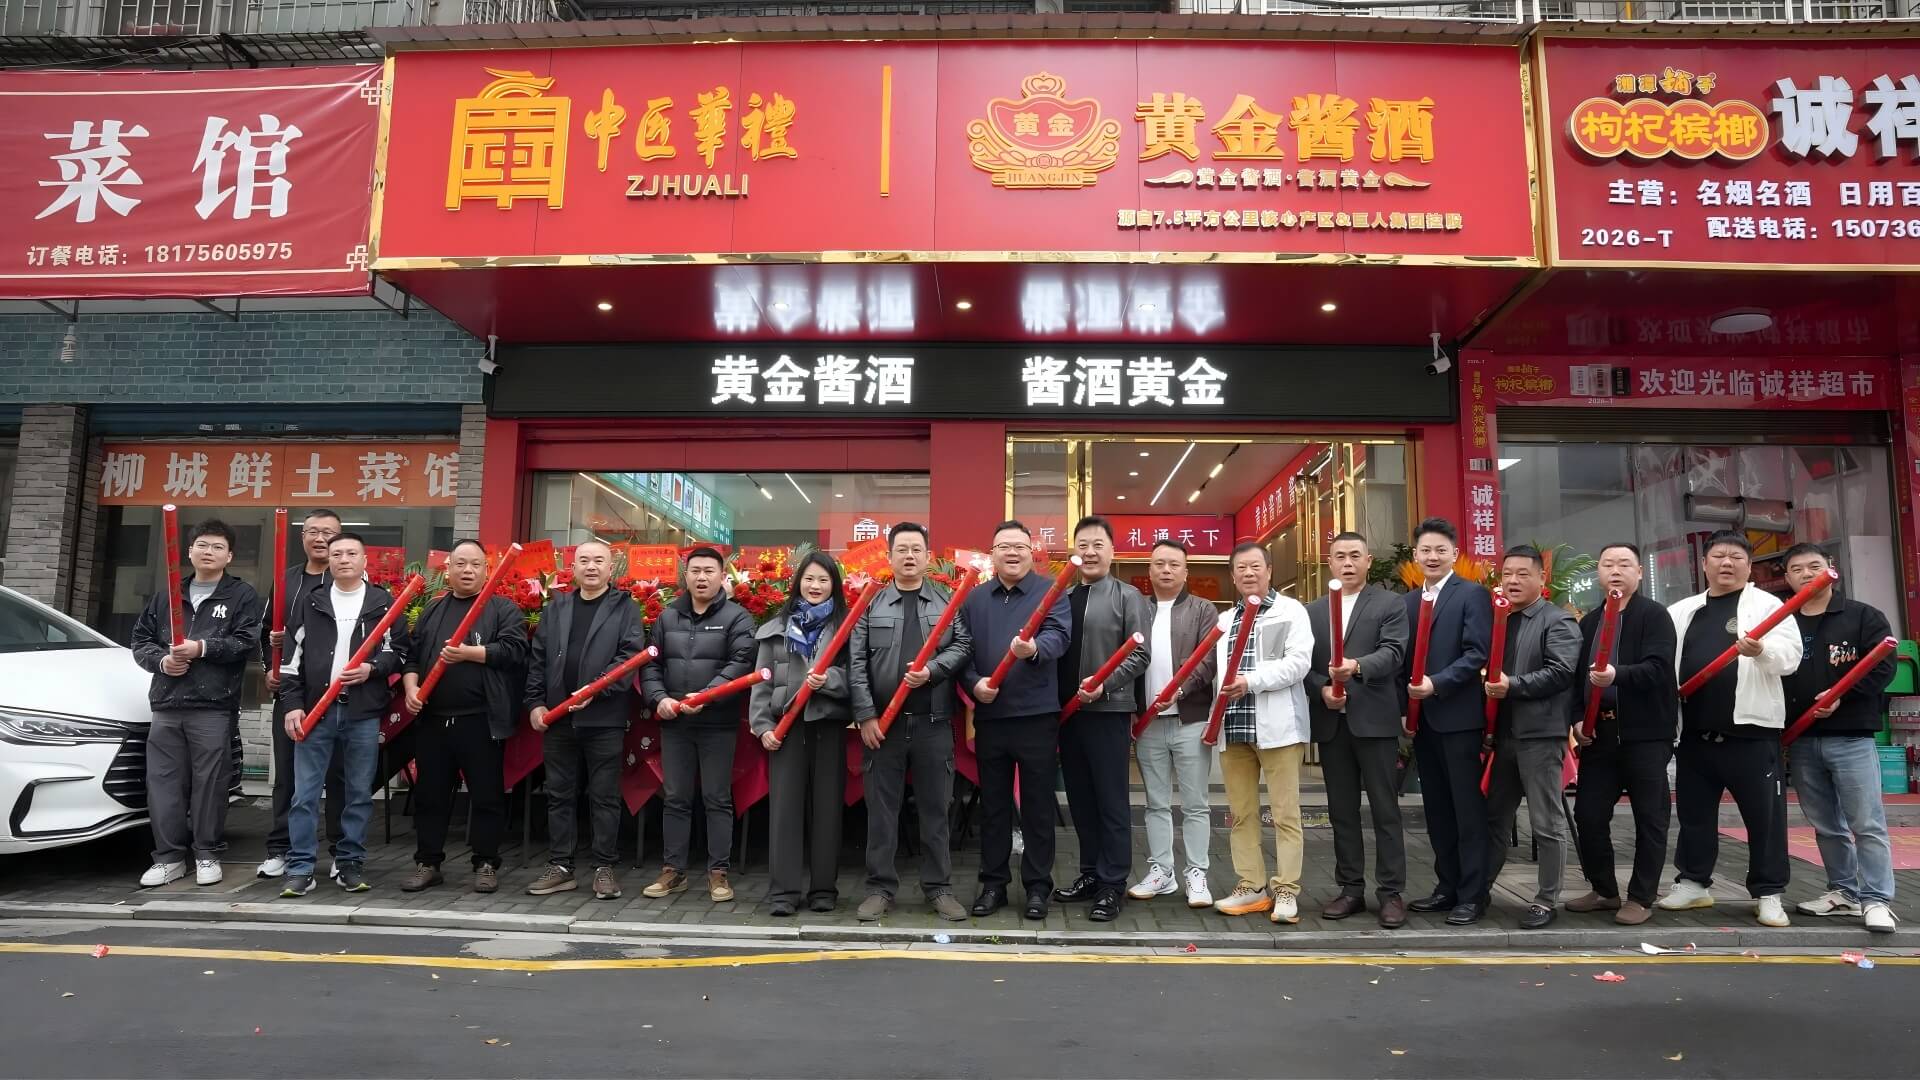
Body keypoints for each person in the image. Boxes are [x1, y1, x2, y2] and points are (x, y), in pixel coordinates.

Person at [1658, 530, 1803, 927]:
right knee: (1694, 815)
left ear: (1749, 566)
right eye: (1719, 556)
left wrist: (1763, 651)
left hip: (1751, 735)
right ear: (1704, 564)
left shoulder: (1768, 606)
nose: (1727, 563)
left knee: (1765, 819)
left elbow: (1791, 657)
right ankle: (1693, 882)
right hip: (1695, 734)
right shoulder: (1682, 610)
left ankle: (1769, 892)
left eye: (1736, 557)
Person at [849, 523, 972, 923]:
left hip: (933, 723)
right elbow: (855, 663)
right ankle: (879, 888)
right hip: (883, 727)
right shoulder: (871, 604)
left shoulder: (946, 600)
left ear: (927, 556)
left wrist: (933, 670)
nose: (909, 556)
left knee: (936, 810)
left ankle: (939, 888)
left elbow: (964, 645)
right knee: (882, 812)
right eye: (901, 549)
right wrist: (866, 715)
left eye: (916, 549)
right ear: (889, 557)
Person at [132, 520, 263, 888]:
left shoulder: (241, 596)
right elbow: (140, 641)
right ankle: (169, 858)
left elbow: (246, 642)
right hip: (167, 704)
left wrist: (201, 648)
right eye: (202, 545)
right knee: (163, 784)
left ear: (229, 556)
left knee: (210, 784)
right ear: (189, 551)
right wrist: (162, 662)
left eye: (218, 547)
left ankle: (206, 854)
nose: (209, 552)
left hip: (213, 706)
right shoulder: (167, 595)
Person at [276, 533, 406, 896]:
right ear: (329, 561)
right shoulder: (312, 602)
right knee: (304, 794)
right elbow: (290, 662)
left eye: (351, 553)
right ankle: (300, 868)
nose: (343, 559)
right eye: (336, 554)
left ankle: (349, 863)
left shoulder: (383, 602)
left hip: (362, 712)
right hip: (315, 711)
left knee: (358, 793)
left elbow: (399, 651)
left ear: (365, 560)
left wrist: (373, 669)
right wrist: (292, 705)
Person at [1779, 543, 1899, 933]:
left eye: (1814, 566)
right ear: (1787, 578)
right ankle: (1843, 892)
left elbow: (1883, 668)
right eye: (1797, 569)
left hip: (1851, 737)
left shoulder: (1862, 616)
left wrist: (1842, 697)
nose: (1806, 574)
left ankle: (1877, 898)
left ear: (1832, 570)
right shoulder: (1783, 621)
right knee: (1825, 824)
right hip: (1801, 739)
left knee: (1866, 822)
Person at [398, 540, 528, 895]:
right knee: (430, 795)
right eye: (460, 564)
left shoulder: (502, 609)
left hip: (481, 719)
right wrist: (411, 689)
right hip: (434, 720)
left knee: (486, 795)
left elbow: (516, 651)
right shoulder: (433, 610)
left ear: (487, 570)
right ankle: (428, 863)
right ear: (448, 569)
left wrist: (469, 653)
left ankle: (486, 863)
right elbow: (412, 657)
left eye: (475, 564)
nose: (467, 570)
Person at [962, 520, 1071, 921]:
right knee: (993, 806)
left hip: (1036, 715)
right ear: (992, 554)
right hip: (991, 716)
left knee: (1038, 806)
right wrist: (973, 683)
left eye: (1019, 546)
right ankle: (993, 885)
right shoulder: (975, 599)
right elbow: (962, 650)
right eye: (1004, 546)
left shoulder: (1051, 591)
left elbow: (1060, 635)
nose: (1012, 552)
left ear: (1031, 552)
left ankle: (1038, 887)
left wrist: (1035, 648)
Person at [526, 540, 647, 899]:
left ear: (611, 568)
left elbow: (630, 657)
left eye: (598, 561)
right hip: (558, 717)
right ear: (573, 568)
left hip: (603, 719)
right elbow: (538, 658)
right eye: (584, 560)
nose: (591, 567)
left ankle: (604, 867)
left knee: (605, 796)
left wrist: (597, 689)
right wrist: (535, 703)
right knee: (559, 794)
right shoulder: (557, 607)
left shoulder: (625, 608)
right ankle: (561, 866)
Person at [1303, 531, 1409, 928]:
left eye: (1354, 556)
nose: (1347, 563)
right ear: (1329, 562)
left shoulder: (1389, 603)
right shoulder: (1311, 611)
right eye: (1340, 556)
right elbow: (1302, 664)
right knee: (1341, 810)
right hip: (1333, 723)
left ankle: (1391, 892)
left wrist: (1357, 666)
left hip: (1374, 721)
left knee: (1385, 809)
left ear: (1367, 561)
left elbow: (1394, 652)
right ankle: (1350, 889)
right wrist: (1322, 688)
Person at [1567, 542, 1677, 927]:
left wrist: (1618, 675)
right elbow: (1576, 680)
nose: (1616, 571)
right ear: (1598, 572)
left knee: (1650, 817)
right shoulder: (1588, 622)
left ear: (1640, 572)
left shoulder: (1654, 616)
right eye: (1608, 564)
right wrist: (1577, 719)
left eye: (1625, 564)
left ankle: (1641, 897)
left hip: (1645, 734)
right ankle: (1604, 890)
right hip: (1598, 735)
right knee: (1588, 814)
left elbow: (1659, 668)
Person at [642, 546, 756, 903]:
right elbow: (650, 664)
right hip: (675, 721)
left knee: (716, 798)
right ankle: (673, 870)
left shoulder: (738, 618)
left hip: (717, 723)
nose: (702, 577)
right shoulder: (667, 617)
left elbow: (742, 662)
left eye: (709, 571)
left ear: (722, 576)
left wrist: (705, 696)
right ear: (686, 576)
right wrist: (659, 698)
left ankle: (718, 872)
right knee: (675, 797)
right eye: (695, 571)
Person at [1053, 516, 1152, 922]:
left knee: (1111, 801)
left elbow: (1140, 654)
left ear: (1113, 551)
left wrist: (1104, 685)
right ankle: (1091, 873)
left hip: (1108, 712)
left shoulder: (1128, 597)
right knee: (1080, 800)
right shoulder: (1063, 597)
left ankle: (1113, 884)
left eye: (1098, 544)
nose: (1090, 552)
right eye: (1083, 545)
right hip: (1068, 715)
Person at [1212, 542, 1314, 924]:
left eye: (1255, 566)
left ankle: (1286, 890)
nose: (1248, 573)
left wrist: (1250, 682)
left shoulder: (1291, 611)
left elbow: (1298, 663)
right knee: (1242, 814)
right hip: (1234, 727)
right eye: (1240, 568)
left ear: (1269, 570)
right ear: (1233, 575)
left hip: (1278, 730)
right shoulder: (1225, 620)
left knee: (1285, 814)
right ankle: (1252, 886)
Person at [1401, 518, 1495, 926]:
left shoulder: (1472, 595)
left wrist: (1436, 683)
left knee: (1467, 811)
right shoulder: (1407, 602)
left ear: (1454, 554)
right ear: (1416, 555)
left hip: (1459, 719)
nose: (1433, 557)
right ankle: (1447, 887)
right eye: (1426, 550)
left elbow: (1477, 653)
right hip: (1423, 722)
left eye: (1441, 550)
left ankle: (1473, 895)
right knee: (1437, 809)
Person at [1481, 545, 1580, 929]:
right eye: (1507, 573)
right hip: (1502, 737)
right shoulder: (1500, 619)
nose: (1513, 580)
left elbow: (1562, 671)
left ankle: (1546, 900)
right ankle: (1479, 891)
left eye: (1523, 574)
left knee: (1546, 822)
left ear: (1542, 578)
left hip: (1540, 735)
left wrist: (1513, 685)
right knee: (1494, 819)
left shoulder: (1557, 621)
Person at [749, 552, 853, 917]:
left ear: (833, 586)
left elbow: (858, 678)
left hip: (828, 726)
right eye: (809, 579)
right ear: (798, 583)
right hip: (785, 730)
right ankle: (783, 893)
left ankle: (823, 889)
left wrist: (831, 680)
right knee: (784, 812)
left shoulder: (847, 628)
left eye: (824, 580)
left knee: (827, 811)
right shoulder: (775, 629)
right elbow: (761, 682)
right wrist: (763, 727)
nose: (815, 586)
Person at [1128, 539, 1219, 911]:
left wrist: (1180, 691)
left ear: (1186, 571)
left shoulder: (1203, 609)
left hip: (1189, 719)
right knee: (1155, 802)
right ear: (1149, 570)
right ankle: (1161, 871)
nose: (1166, 570)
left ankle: (1197, 873)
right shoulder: (1137, 609)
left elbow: (1209, 659)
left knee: (1196, 803)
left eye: (1173, 564)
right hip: (1147, 723)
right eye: (1159, 564)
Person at [257, 508, 346, 881]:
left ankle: (341, 851)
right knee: (288, 777)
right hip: (292, 695)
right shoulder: (286, 579)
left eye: (328, 532)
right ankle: (281, 848)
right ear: (302, 537)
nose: (320, 538)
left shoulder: (347, 580)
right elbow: (266, 631)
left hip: (336, 695)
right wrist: (270, 667)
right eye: (313, 531)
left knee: (338, 776)